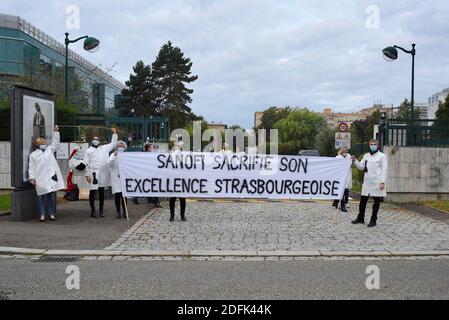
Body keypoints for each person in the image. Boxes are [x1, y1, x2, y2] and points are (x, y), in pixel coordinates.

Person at [28, 125, 64, 222]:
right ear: (37, 145)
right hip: (40, 178)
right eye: (41, 143)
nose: (43, 143)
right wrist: (32, 178)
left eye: (44, 142)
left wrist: (56, 132)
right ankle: (42, 214)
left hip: (50, 178)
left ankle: (51, 213)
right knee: (41, 197)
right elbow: (31, 167)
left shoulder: (49, 150)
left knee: (51, 196)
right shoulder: (33, 155)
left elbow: (55, 144)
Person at [351, 140, 388, 228]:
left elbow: (384, 169)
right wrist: (355, 161)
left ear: (378, 145)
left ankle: (373, 220)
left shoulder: (382, 156)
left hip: (377, 182)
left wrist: (382, 182)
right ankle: (360, 217)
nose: (373, 146)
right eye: (371, 144)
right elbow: (361, 167)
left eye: (375, 144)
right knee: (363, 201)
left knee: (376, 202)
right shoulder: (366, 156)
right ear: (369, 145)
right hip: (367, 182)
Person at [84, 128, 118, 218]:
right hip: (93, 173)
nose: (95, 141)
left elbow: (113, 143)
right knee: (92, 191)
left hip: (103, 173)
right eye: (94, 139)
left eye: (97, 139)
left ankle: (101, 210)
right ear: (92, 140)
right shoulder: (88, 151)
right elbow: (85, 163)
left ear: (99, 141)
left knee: (102, 192)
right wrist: (87, 175)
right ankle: (93, 210)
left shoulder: (104, 148)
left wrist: (114, 134)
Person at [107, 141, 128, 219]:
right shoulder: (113, 155)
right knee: (117, 195)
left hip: (124, 177)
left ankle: (125, 212)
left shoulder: (127, 155)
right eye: (119, 146)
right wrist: (114, 157)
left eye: (122, 146)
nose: (121, 148)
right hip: (116, 178)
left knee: (124, 195)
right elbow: (109, 164)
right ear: (116, 147)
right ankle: (118, 212)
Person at [169, 142, 186, 222]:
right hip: (173, 180)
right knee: (172, 199)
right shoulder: (171, 156)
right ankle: (172, 215)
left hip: (181, 180)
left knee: (182, 199)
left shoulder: (184, 156)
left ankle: (182, 215)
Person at [332, 147, 352, 212]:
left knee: (344, 190)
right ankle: (342, 205)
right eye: (344, 152)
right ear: (341, 152)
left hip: (347, 176)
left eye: (346, 152)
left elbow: (351, 164)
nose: (345, 153)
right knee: (342, 191)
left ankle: (336, 202)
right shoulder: (338, 158)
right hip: (340, 176)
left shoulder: (348, 157)